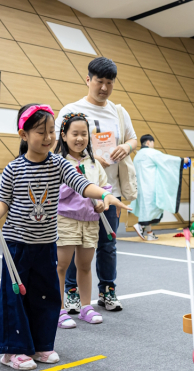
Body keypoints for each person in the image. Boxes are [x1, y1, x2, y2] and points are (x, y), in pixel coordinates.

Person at [0, 104, 131, 370]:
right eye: (41, 132)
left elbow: (81, 184)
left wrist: (105, 195)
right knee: (15, 296)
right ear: (24, 135)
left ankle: (41, 345)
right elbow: (3, 199)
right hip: (17, 244)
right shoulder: (13, 168)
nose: (49, 137)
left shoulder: (59, 164)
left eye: (51, 131)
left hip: (45, 243)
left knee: (46, 294)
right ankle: (12, 351)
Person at [55, 57, 138, 313]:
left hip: (108, 190)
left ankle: (107, 291)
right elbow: (59, 148)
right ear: (88, 79)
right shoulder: (71, 110)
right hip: (75, 194)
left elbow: (133, 139)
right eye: (99, 81)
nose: (103, 87)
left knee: (107, 243)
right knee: (72, 246)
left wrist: (125, 147)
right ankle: (71, 293)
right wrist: (90, 159)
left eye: (109, 83)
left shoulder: (118, 112)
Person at [55, 112, 108, 329]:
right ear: (64, 136)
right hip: (66, 220)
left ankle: (86, 307)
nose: (79, 138)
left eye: (83, 134)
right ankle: (58, 310)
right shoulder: (57, 161)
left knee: (85, 266)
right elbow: (53, 192)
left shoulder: (94, 163)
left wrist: (103, 201)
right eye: (74, 133)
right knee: (61, 266)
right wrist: (77, 184)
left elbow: (105, 188)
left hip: (90, 221)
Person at [131, 135, 183, 241]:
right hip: (150, 187)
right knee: (156, 208)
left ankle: (150, 234)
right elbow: (167, 160)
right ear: (149, 142)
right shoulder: (151, 153)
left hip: (140, 188)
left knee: (146, 211)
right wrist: (183, 160)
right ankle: (140, 225)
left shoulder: (137, 156)